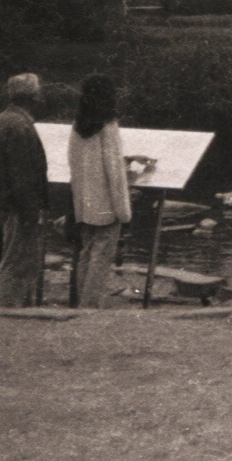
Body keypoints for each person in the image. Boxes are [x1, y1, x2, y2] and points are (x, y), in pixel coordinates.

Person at [67, 75, 133, 308]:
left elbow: (74, 163)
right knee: (101, 258)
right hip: (106, 204)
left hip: (85, 202)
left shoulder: (78, 125)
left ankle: (82, 302)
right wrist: (123, 211)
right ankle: (90, 306)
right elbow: (114, 171)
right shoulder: (108, 125)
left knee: (86, 253)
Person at [0, 73, 50, 307]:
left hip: (9, 204)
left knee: (16, 257)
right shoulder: (19, 125)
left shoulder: (5, 119)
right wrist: (30, 211)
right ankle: (7, 308)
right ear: (32, 95)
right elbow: (22, 175)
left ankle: (14, 306)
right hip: (19, 206)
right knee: (17, 260)